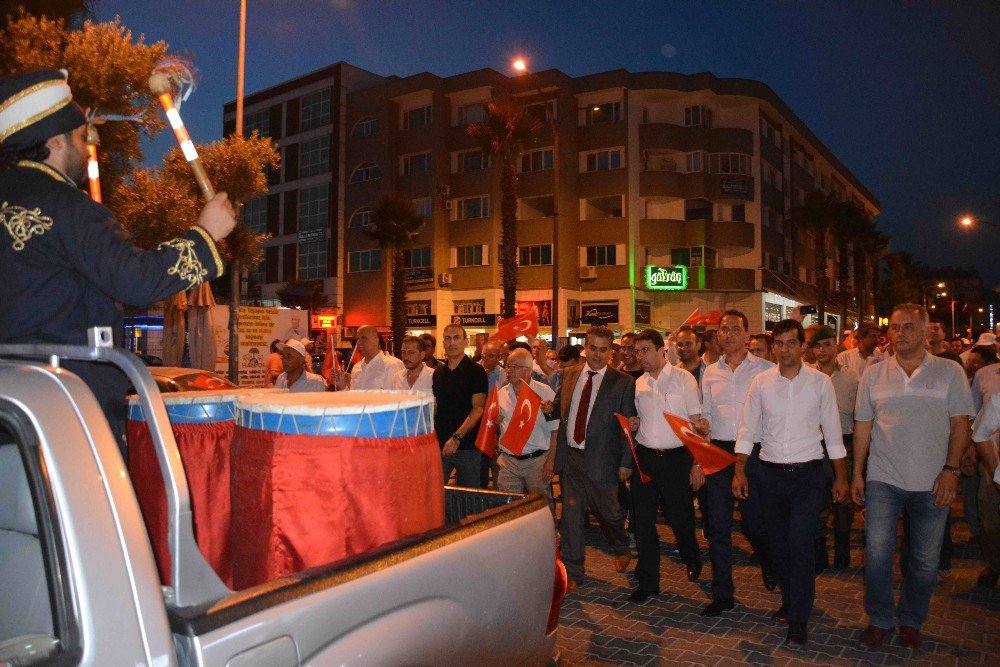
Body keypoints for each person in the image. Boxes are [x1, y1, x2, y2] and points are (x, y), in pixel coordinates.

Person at [0, 69, 235, 454]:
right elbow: (135, 281)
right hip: (65, 406)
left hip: (10, 402)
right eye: (80, 136)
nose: (88, 144)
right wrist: (205, 235)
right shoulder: (68, 206)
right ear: (56, 141)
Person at [851, 303, 974, 650]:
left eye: (907, 327)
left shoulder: (949, 372)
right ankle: (880, 619)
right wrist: (858, 474)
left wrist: (950, 471)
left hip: (933, 480)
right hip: (883, 478)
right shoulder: (874, 374)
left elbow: (960, 423)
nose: (898, 333)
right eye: (894, 327)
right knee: (876, 554)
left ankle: (911, 620)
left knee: (924, 559)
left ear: (925, 333)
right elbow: (863, 426)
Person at [734, 319, 848, 646]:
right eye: (780, 344)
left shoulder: (820, 383)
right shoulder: (761, 383)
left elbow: (834, 433)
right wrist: (740, 470)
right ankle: (789, 598)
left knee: (800, 546)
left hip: (808, 476)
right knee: (776, 544)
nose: (785, 350)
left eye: (791, 343)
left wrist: (840, 476)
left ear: (802, 346)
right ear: (774, 347)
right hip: (769, 475)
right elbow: (748, 430)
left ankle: (799, 618)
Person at [698, 309, 776, 617]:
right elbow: (707, 412)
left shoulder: (766, 370)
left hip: (754, 454)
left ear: (747, 335)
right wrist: (702, 425)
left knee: (755, 523)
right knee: (717, 526)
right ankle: (723, 593)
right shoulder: (710, 372)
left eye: (734, 329)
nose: (728, 334)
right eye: (723, 329)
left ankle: (768, 560)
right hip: (718, 452)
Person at [552, 326, 637, 592]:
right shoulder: (568, 375)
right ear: (585, 348)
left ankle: (621, 546)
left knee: (609, 514)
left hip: (603, 460)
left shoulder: (622, 382)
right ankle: (574, 571)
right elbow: (559, 409)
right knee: (571, 518)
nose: (597, 355)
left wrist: (625, 463)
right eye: (593, 348)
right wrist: (548, 409)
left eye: (603, 349)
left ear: (611, 351)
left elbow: (626, 427)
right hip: (572, 459)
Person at [627, 329, 703, 603]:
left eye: (645, 350)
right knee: (643, 522)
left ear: (662, 350)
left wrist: (697, 463)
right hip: (646, 458)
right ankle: (648, 582)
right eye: (637, 351)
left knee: (679, 519)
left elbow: (696, 424)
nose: (640, 356)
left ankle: (692, 557)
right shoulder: (638, 384)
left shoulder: (684, 380)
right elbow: (638, 419)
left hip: (677, 460)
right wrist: (634, 424)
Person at [810, 325, 860, 570]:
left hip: (844, 444)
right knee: (817, 500)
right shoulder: (806, 375)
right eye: (818, 346)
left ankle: (842, 553)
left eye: (827, 344)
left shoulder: (852, 377)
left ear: (837, 345)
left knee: (843, 503)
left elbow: (860, 417)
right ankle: (819, 553)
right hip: (816, 447)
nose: (822, 350)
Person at [495, 348, 558, 515]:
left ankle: (550, 536)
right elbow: (497, 427)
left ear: (528, 370)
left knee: (541, 506)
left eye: (514, 366)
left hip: (536, 462)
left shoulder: (544, 392)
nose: (509, 370)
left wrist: (550, 462)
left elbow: (556, 430)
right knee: (508, 507)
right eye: (507, 365)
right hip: (508, 461)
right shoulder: (502, 393)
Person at [433, 324, 488, 488]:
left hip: (467, 447)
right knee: (437, 495)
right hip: (440, 444)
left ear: (465, 341)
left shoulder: (476, 371)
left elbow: (478, 409)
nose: (452, 343)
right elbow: (437, 407)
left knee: (470, 498)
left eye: (456, 337)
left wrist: (457, 438)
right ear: (443, 343)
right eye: (448, 338)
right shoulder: (438, 373)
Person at [331, 325, 404, 390]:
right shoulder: (357, 368)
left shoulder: (391, 365)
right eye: (357, 339)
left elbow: (397, 399)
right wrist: (343, 386)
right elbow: (354, 399)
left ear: (376, 340)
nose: (359, 342)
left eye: (364, 338)